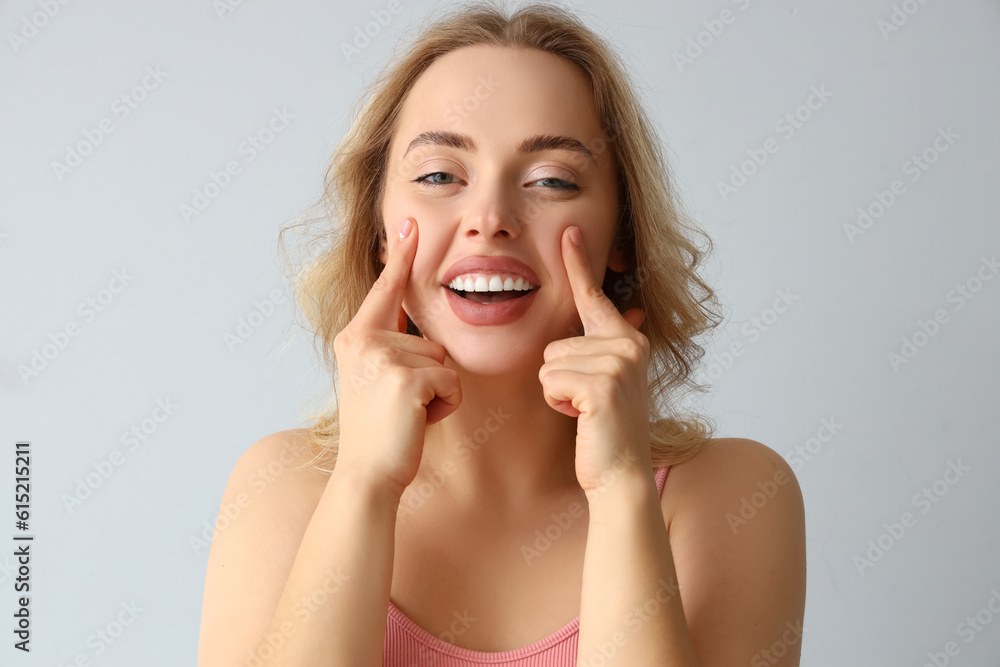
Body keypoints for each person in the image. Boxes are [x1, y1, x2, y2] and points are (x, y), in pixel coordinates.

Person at [197, 2, 807, 665]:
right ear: (377, 230)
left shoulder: (734, 495)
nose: (490, 217)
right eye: (438, 176)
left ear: (622, 237)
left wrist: (622, 486)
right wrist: (364, 484)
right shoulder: (283, 487)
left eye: (552, 179)